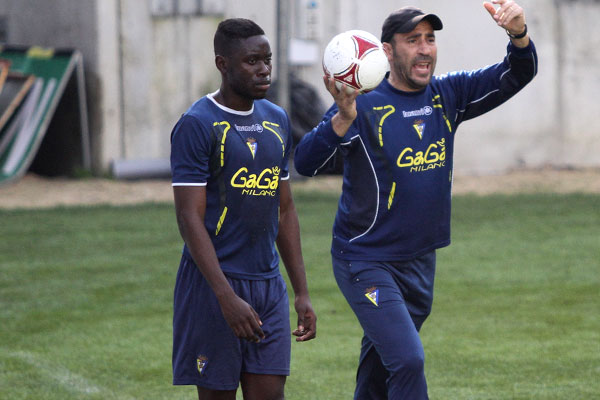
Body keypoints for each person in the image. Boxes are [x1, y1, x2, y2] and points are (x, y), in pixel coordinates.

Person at [294, 0, 536, 399]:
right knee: (408, 360)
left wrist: (518, 34)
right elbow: (305, 162)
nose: (425, 48)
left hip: (421, 261)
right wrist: (340, 119)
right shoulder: (362, 104)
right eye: (413, 40)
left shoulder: (448, 94)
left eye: (430, 39)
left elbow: (516, 73)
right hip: (366, 261)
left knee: (378, 373)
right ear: (387, 51)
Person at [170, 18, 317, 400]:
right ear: (223, 64)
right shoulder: (197, 124)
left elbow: (284, 208)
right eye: (252, 61)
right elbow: (189, 218)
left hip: (268, 286)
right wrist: (224, 297)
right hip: (214, 286)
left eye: (267, 59)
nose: (264, 69)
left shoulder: (277, 119)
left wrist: (300, 291)